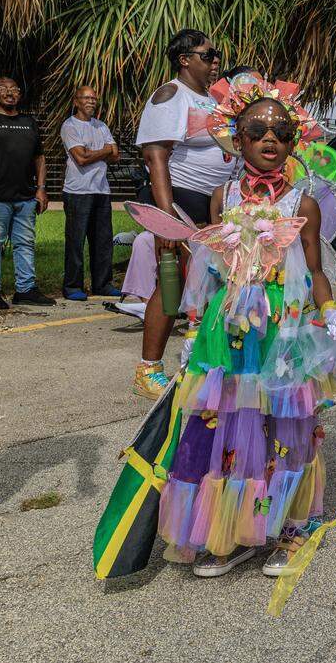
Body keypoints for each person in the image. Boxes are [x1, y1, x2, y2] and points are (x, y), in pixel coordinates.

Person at [154, 75, 336, 578]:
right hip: (231, 329)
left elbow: (313, 271)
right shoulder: (221, 197)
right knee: (229, 424)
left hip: (283, 329)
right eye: (258, 129)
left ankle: (288, 526)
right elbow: (206, 265)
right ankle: (238, 529)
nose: (271, 140)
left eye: (282, 132)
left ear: (295, 141)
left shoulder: (302, 203)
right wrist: (194, 327)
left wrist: (328, 310)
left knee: (285, 425)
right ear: (236, 137)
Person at [132, 29, 228, 400]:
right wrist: (164, 219)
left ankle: (204, 364)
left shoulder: (212, 99)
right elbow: (156, 157)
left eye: (217, 54)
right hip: (180, 198)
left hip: (213, 203)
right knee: (175, 280)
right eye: (208, 54)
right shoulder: (171, 95)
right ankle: (148, 369)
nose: (215, 60)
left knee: (209, 283)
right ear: (184, 59)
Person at [0, 76, 53, 308]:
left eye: (14, 89)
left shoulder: (29, 121)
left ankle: (26, 290)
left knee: (25, 244)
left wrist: (41, 188)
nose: (10, 92)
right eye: (3, 88)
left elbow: (39, 157)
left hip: (26, 197)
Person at [60, 85, 120, 301]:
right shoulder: (69, 126)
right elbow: (81, 158)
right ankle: (72, 286)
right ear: (76, 101)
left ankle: (102, 284)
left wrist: (97, 152)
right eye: (86, 98)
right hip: (78, 191)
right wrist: (104, 150)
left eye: (94, 98)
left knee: (102, 241)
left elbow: (116, 155)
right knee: (76, 241)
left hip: (101, 190)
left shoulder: (101, 126)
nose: (91, 102)